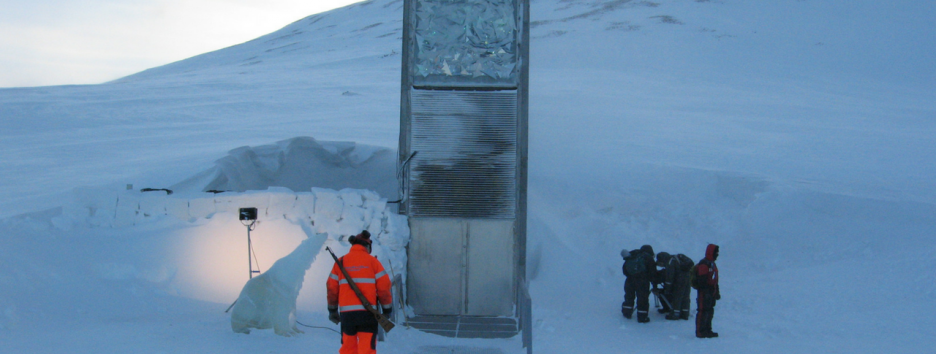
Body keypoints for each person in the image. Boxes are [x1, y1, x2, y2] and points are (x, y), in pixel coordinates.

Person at [326, 231, 393, 354]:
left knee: (348, 349)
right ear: (367, 246)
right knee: (367, 349)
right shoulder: (373, 262)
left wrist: (332, 311)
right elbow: (384, 288)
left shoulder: (340, 262)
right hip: (368, 314)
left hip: (347, 315)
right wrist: (387, 310)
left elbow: (331, 288)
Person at [621, 245, 657, 323]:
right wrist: (654, 284)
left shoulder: (632, 256)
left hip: (629, 280)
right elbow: (653, 273)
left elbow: (624, 270)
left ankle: (627, 313)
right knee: (642, 298)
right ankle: (642, 318)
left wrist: (632, 276)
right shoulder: (648, 258)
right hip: (642, 281)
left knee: (629, 296)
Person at [695, 244, 720, 338]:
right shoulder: (704, 264)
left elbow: (714, 279)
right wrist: (706, 292)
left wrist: (716, 291)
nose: (717, 254)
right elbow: (702, 281)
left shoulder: (712, 264)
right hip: (704, 293)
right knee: (703, 311)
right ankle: (700, 332)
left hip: (710, 292)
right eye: (716, 253)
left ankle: (707, 330)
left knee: (709, 312)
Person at [654, 252, 678, 316]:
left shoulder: (669, 266)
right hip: (677, 285)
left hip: (674, 287)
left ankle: (668, 308)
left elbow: (668, 279)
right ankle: (668, 307)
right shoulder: (673, 263)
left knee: (662, 292)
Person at [672, 253, 694, 320]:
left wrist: (668, 286)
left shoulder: (672, 260)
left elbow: (670, 275)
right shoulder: (683, 261)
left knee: (677, 297)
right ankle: (685, 314)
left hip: (679, 280)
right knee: (686, 297)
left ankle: (675, 314)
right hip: (687, 279)